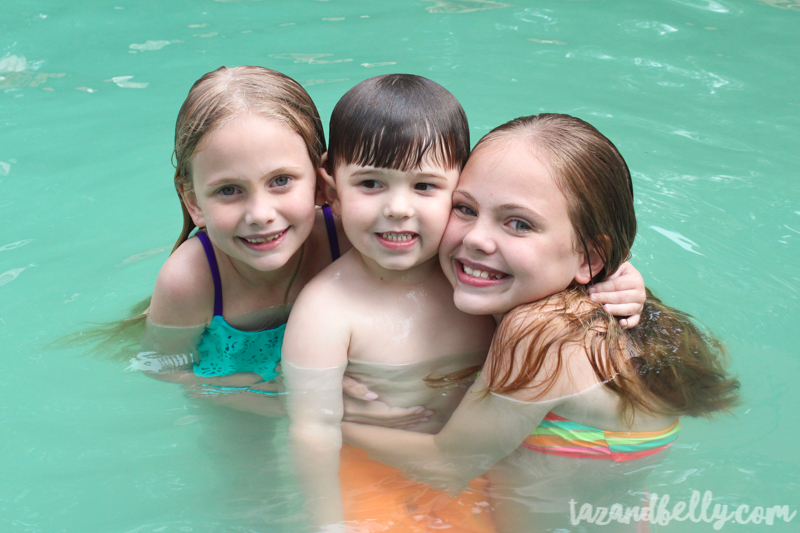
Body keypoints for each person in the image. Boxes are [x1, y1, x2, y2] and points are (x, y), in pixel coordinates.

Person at [342, 114, 740, 533]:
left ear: (589, 258)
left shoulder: (542, 331)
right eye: (465, 208)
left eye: (519, 223)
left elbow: (449, 465)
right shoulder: (602, 301)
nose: (477, 238)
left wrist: (324, 418)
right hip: (604, 500)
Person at [283, 80, 648, 532]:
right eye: (468, 210)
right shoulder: (344, 303)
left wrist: (297, 410)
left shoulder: (529, 322)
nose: (398, 208)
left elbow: (449, 463)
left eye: (426, 187)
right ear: (332, 190)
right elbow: (312, 431)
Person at [140, 65, 429, 425]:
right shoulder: (189, 280)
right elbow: (163, 369)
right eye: (229, 190)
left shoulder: (351, 240)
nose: (260, 214)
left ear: (322, 182)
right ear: (193, 201)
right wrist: (276, 400)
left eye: (281, 180)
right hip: (235, 388)